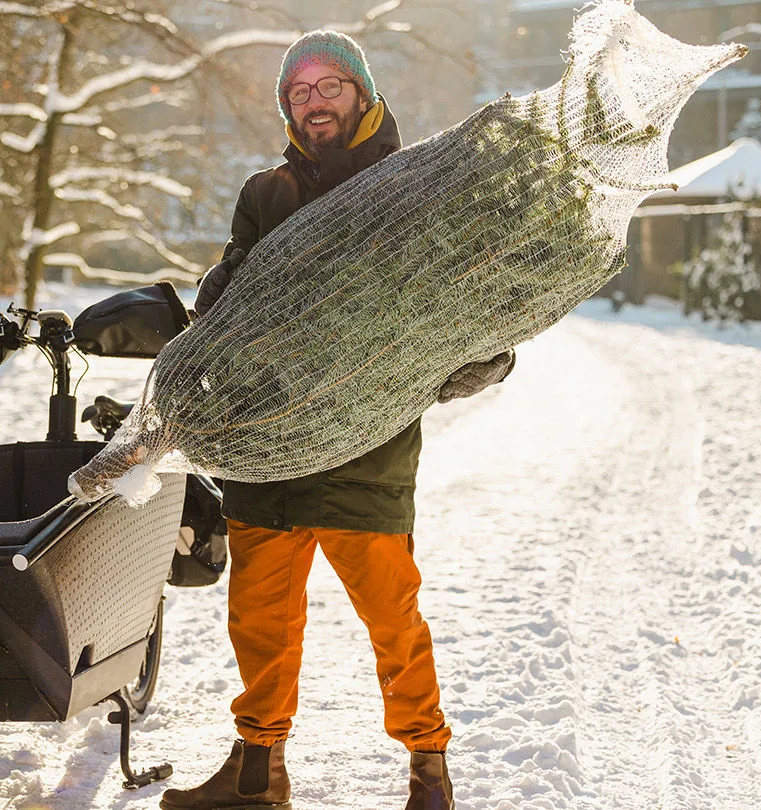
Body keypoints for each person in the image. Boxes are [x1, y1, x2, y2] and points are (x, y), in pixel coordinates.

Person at [160, 31, 516, 810]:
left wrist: (479, 356)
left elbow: (467, 302)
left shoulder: (412, 184)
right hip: (270, 449)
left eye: (327, 87)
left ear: (360, 92)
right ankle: (258, 774)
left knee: (393, 623)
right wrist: (211, 304)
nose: (312, 102)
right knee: (258, 624)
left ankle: (429, 770)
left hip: (367, 451)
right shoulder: (267, 193)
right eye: (297, 93)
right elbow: (230, 294)